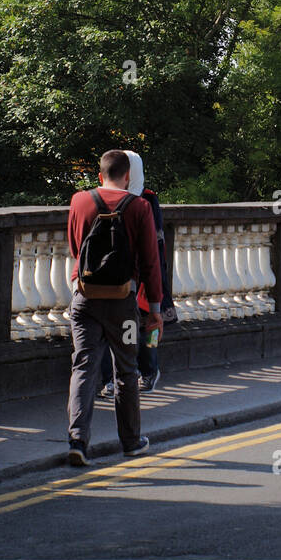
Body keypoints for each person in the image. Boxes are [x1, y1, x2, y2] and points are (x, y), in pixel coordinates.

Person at [66, 149, 164, 466]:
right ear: (128, 177)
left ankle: (78, 442)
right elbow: (151, 263)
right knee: (126, 370)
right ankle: (132, 442)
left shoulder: (79, 201)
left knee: (83, 368)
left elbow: (75, 248)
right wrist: (155, 310)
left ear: (100, 175)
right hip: (122, 305)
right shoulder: (139, 207)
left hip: (85, 301)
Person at [99, 151, 171, 397]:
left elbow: (156, 239)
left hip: (146, 271)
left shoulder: (148, 200)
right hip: (120, 272)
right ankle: (113, 377)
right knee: (115, 328)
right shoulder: (109, 198)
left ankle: (150, 369)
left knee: (149, 325)